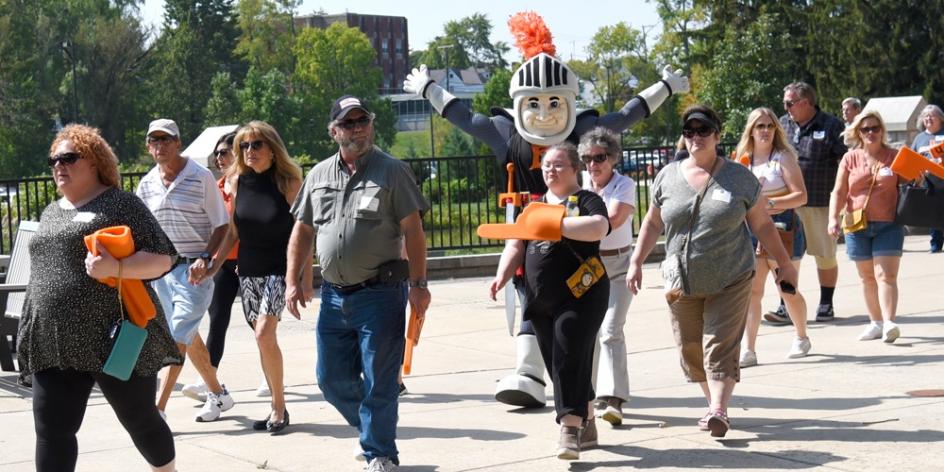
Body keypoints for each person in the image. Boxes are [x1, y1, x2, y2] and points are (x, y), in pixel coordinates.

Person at [404, 11, 689, 409]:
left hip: (572, 235)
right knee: (529, 296)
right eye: (534, 102)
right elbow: (467, 118)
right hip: (529, 235)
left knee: (575, 303)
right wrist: (430, 89)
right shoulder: (507, 131)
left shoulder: (584, 130)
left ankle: (575, 384)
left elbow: (626, 117)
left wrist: (666, 88)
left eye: (554, 102)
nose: (543, 112)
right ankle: (529, 371)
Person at [627, 106, 798, 438]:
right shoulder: (668, 176)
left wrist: (785, 263)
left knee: (718, 343)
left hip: (731, 275)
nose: (695, 138)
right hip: (681, 279)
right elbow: (652, 222)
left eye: (703, 131)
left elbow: (762, 224)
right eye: (689, 132)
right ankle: (712, 405)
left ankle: (719, 409)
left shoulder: (739, 177)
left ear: (718, 136)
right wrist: (636, 261)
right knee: (690, 347)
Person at [17, 124, 180, 471]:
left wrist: (115, 266)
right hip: (54, 342)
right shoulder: (51, 211)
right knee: (52, 431)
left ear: (94, 161)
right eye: (54, 160)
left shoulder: (121, 203)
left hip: (111, 337)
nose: (59, 165)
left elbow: (164, 257)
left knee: (141, 420)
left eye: (69, 158)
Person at [285, 95, 431, 472]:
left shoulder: (391, 171)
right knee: (329, 379)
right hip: (333, 296)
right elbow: (301, 230)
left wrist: (419, 283)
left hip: (380, 294)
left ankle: (380, 453)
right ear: (334, 131)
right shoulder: (317, 175)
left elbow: (413, 231)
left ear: (371, 124)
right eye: (347, 124)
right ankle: (371, 426)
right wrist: (292, 281)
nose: (356, 129)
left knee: (381, 379)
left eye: (362, 121)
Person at [489, 142, 610, 460]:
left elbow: (599, 227)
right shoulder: (534, 206)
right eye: (546, 165)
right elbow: (515, 244)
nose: (550, 170)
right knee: (562, 362)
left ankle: (569, 429)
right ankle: (589, 420)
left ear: (575, 169)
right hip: (541, 299)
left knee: (568, 356)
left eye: (558, 165)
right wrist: (501, 276)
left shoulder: (586, 200)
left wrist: (556, 225)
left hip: (581, 295)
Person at [201, 121, 303, 432]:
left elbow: (304, 231)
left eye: (256, 145)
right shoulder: (238, 182)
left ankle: (280, 408)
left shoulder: (288, 181)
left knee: (263, 334)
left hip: (277, 270)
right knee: (264, 341)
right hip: (249, 271)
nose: (249, 151)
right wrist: (213, 265)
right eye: (243, 146)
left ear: (272, 148)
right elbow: (233, 232)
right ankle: (276, 405)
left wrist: (300, 279)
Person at [135, 118, 234, 422]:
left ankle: (158, 409)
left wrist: (206, 256)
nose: (160, 146)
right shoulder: (146, 184)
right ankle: (219, 394)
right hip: (161, 273)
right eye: (154, 141)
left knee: (177, 335)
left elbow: (222, 224)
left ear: (178, 143)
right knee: (189, 337)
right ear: (149, 146)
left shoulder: (200, 176)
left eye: (166, 140)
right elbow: (143, 230)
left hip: (195, 271)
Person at [181, 131, 268, 401]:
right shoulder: (216, 188)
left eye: (224, 152)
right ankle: (209, 377)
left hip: (248, 261)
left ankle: (269, 374)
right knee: (217, 320)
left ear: (238, 154)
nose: (219, 157)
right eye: (216, 153)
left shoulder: (249, 184)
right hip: (222, 263)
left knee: (257, 322)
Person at [734, 108, 811, 368]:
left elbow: (801, 196)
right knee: (752, 292)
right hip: (749, 232)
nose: (765, 131)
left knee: (786, 288)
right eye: (760, 126)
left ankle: (801, 336)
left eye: (769, 125)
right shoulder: (743, 159)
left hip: (783, 228)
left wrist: (771, 203)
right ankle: (749, 349)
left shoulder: (784, 158)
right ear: (751, 130)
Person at [768, 82, 847, 325]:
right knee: (787, 256)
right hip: (787, 202)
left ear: (806, 103)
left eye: (789, 102)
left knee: (824, 254)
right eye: (785, 103)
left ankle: (826, 303)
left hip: (820, 201)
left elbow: (845, 161)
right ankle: (785, 305)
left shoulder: (831, 125)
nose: (786, 107)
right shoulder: (782, 124)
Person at [828, 111, 906, 343]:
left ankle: (889, 322)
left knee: (886, 275)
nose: (871, 133)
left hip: (889, 223)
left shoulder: (895, 156)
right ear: (858, 133)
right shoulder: (850, 158)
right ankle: (875, 323)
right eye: (866, 129)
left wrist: (918, 177)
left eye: (875, 128)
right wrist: (833, 218)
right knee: (867, 277)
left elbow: (910, 185)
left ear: (882, 130)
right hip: (855, 223)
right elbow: (840, 191)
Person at [577, 127, 635, 426]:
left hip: (620, 264)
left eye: (599, 157)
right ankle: (589, 395)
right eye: (587, 158)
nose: (593, 164)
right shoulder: (581, 185)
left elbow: (612, 221)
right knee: (588, 332)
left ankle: (614, 399)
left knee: (612, 329)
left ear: (612, 158)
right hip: (589, 266)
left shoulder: (624, 185)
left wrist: (576, 223)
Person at [909, 104, 944, 253]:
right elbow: (912, 157)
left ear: (941, 119)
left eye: (932, 116)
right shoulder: (919, 138)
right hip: (930, 182)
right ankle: (935, 244)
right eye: (926, 116)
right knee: (933, 213)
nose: (928, 119)